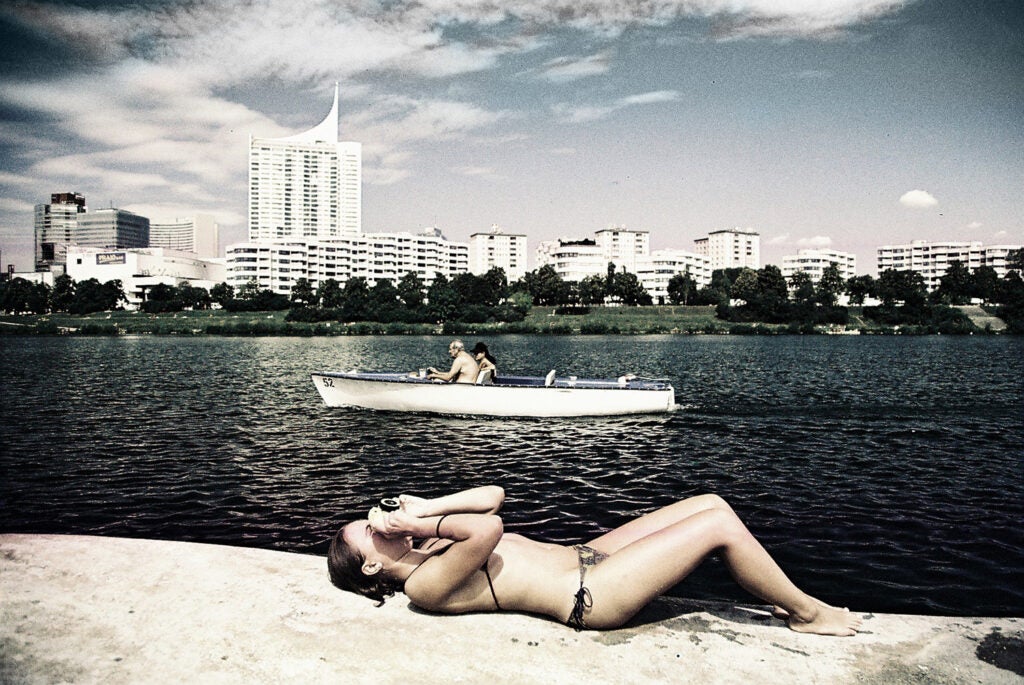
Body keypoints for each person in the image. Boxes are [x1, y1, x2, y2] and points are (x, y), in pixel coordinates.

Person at [327, 486, 862, 635]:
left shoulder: (429, 546)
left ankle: (789, 600)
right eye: (370, 534)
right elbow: (490, 528)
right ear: (371, 566)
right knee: (717, 529)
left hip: (591, 557)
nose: (382, 526)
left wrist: (424, 507)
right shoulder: (424, 586)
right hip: (591, 597)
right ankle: (810, 614)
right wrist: (418, 525)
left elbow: (493, 495)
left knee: (710, 504)